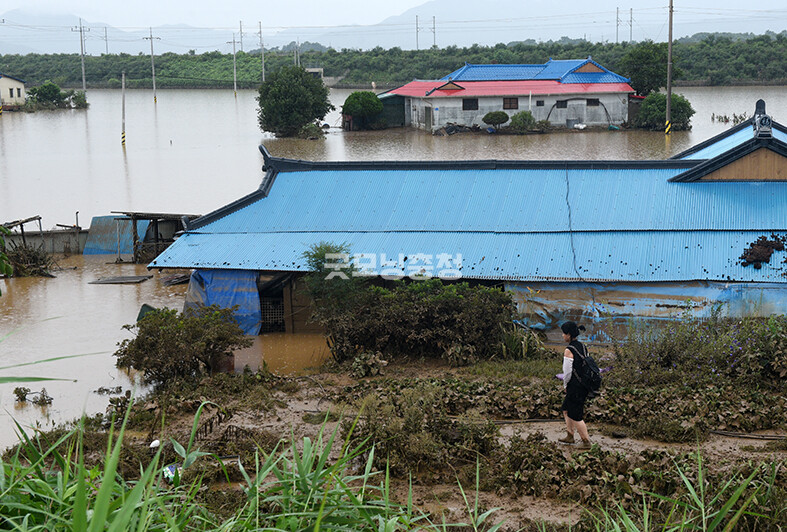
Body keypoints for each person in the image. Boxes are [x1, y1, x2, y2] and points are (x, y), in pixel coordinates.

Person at [558, 321, 592, 449]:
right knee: (566, 409)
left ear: (569, 334)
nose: (562, 336)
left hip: (575, 386)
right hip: (584, 384)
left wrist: (565, 386)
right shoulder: (582, 346)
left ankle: (586, 442)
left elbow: (567, 373)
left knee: (576, 415)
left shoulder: (569, 350)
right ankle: (570, 436)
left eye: (564, 333)